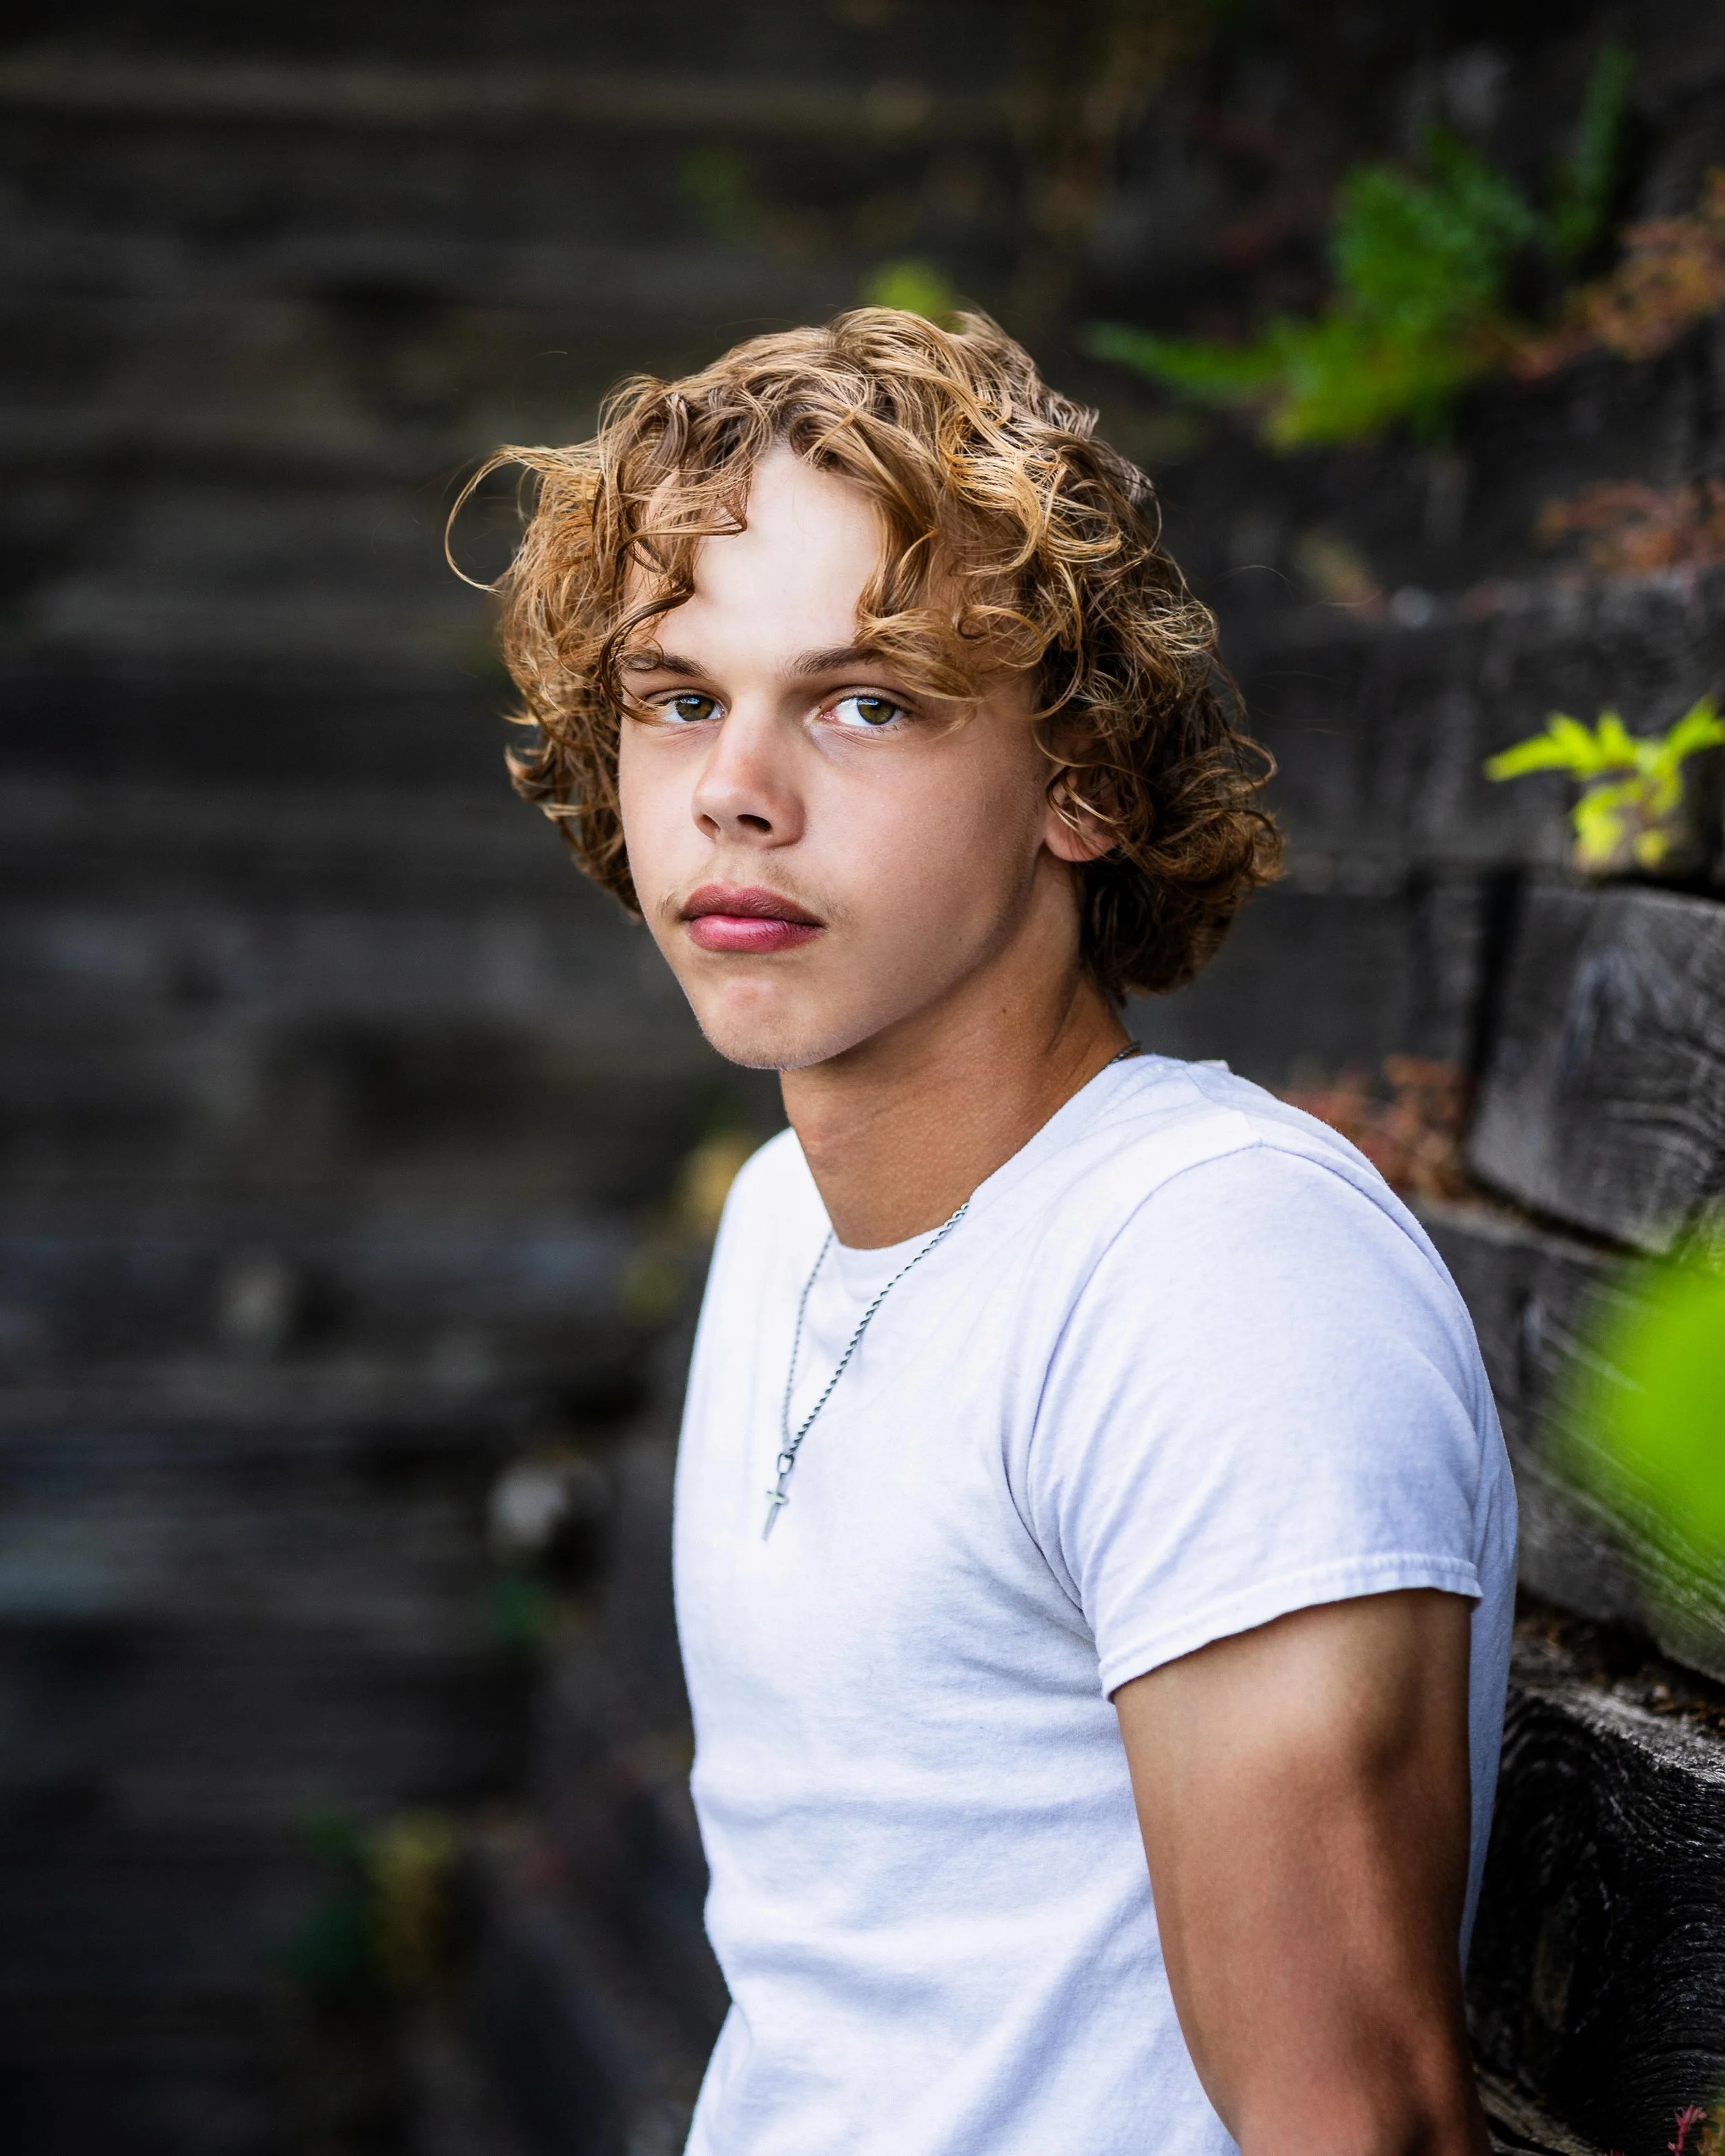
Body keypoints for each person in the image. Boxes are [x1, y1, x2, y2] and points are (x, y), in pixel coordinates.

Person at [473, 308, 1516, 2156]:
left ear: (1082, 780)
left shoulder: (1205, 1275)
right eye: (679, 695)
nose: (736, 788)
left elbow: (1353, 2122)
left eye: (865, 699)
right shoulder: (787, 1217)